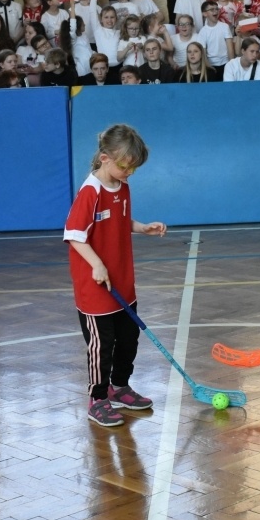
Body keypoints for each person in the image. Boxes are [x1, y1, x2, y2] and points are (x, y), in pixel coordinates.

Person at [64, 124, 167, 427]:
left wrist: (141, 227)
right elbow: (74, 235)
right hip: (96, 288)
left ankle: (119, 387)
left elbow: (119, 221)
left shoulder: (122, 187)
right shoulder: (89, 192)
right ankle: (97, 399)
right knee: (102, 346)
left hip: (122, 281)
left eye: (133, 168)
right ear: (105, 158)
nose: (129, 173)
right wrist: (96, 264)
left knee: (128, 339)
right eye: (125, 166)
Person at [198, 0, 235, 79]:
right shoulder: (203, 32)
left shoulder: (224, 26)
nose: (215, 11)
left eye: (216, 9)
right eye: (212, 10)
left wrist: (231, 64)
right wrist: (209, 68)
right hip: (211, 65)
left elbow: (230, 48)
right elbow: (203, 53)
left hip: (226, 63)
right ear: (204, 14)